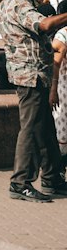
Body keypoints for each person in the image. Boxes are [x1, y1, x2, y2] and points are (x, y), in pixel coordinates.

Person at [0, 0, 67, 202]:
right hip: (30, 75)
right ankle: (20, 182)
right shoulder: (19, 4)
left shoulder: (6, 3)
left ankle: (52, 178)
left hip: (31, 74)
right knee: (30, 128)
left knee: (45, 127)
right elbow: (44, 25)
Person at [51, 26, 67, 158]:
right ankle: (60, 167)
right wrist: (53, 89)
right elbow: (55, 64)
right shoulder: (63, 35)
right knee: (63, 128)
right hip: (64, 91)